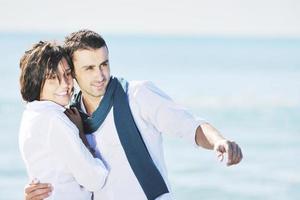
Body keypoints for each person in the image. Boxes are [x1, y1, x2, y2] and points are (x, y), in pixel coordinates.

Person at [25, 30, 243, 200]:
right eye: (89, 68)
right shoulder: (68, 118)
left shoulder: (137, 95)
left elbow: (189, 126)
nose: (100, 75)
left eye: (104, 64)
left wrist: (218, 141)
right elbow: (61, 175)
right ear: (72, 74)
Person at [19, 41, 108, 200]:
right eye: (53, 77)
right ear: (36, 81)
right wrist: (81, 135)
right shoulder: (54, 120)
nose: (65, 84)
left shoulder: (31, 115)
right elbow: (95, 179)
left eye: (67, 73)